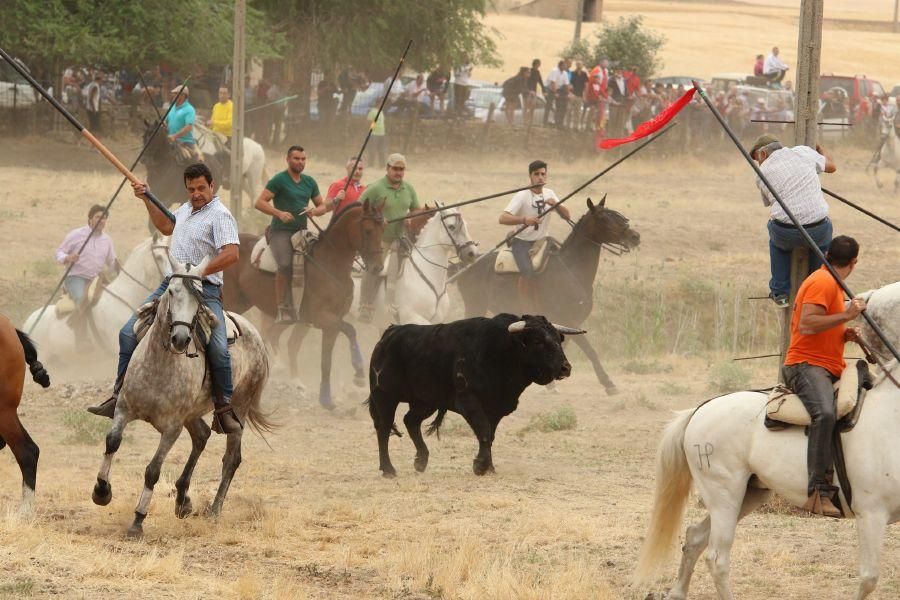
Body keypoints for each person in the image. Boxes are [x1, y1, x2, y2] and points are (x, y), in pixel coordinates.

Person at [88, 163, 242, 434]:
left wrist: (200, 270)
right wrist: (146, 199)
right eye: (191, 189)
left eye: (201, 188)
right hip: (172, 285)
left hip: (204, 288)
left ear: (212, 186)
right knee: (128, 332)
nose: (196, 193)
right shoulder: (184, 210)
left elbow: (231, 254)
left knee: (218, 348)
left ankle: (223, 408)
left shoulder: (220, 216)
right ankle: (118, 396)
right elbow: (166, 226)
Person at [782, 235, 866, 518]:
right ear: (853, 263)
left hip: (828, 365)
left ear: (828, 254)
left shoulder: (829, 280)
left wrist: (843, 333)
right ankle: (816, 492)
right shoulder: (823, 282)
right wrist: (846, 315)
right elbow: (807, 324)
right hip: (805, 366)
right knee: (826, 414)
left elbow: (821, 323)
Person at [750, 134, 837, 308]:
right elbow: (832, 167)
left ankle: (780, 292)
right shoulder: (803, 152)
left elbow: (769, 203)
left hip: (786, 232)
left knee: (777, 243)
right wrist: (820, 150)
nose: (759, 164)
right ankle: (815, 290)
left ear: (763, 154)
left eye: (757, 160)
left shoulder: (762, 173)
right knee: (820, 247)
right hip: (817, 228)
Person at [254, 146, 324, 323]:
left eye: (303, 159)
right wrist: (279, 213)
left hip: (302, 232)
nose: (300, 162)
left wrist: (314, 211)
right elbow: (260, 202)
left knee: (318, 262)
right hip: (281, 232)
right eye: (296, 158)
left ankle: (309, 302)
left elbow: (322, 206)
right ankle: (282, 308)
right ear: (287, 159)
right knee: (285, 264)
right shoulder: (279, 180)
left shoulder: (309, 182)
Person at [499, 160, 570, 313]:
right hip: (522, 243)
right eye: (536, 174)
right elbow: (502, 218)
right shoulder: (522, 196)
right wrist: (524, 219)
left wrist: (557, 206)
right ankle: (527, 311)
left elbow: (567, 216)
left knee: (561, 267)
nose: (540, 177)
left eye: (543, 174)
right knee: (528, 273)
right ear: (530, 176)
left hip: (543, 241)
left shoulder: (550, 193)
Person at [357, 153, 420, 322]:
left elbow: (416, 209)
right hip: (380, 240)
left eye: (401, 169)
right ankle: (365, 305)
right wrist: (377, 219)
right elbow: (359, 207)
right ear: (387, 168)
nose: (398, 173)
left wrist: (410, 218)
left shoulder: (409, 189)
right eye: (395, 169)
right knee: (374, 267)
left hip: (401, 238)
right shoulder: (376, 188)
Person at [55, 205, 118, 304]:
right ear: (90, 219)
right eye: (98, 217)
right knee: (82, 301)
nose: (101, 220)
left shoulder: (107, 240)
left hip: (96, 281)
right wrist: (68, 257)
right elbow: (59, 252)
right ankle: (78, 320)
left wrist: (120, 267)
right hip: (76, 278)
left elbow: (112, 261)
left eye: (104, 218)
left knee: (110, 302)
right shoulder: (76, 234)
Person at [166, 85, 201, 162]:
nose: (173, 95)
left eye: (176, 93)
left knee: (189, 161)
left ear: (183, 96)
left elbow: (189, 127)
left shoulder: (189, 109)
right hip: (170, 142)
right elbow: (166, 123)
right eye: (174, 93)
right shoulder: (171, 108)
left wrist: (175, 136)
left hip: (185, 142)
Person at [525, 59, 545, 126]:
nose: (539, 65)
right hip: (529, 91)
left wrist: (543, 89)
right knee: (527, 106)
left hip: (534, 91)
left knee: (533, 106)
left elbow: (540, 81)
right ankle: (526, 120)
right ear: (535, 64)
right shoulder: (530, 71)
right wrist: (529, 90)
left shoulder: (537, 72)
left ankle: (530, 120)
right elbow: (527, 81)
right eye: (539, 64)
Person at [367, 101, 386, 167]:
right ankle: (370, 165)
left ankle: (382, 165)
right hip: (374, 134)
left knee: (382, 150)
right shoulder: (373, 111)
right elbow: (369, 121)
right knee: (372, 150)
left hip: (382, 133)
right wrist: (372, 129)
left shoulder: (381, 112)